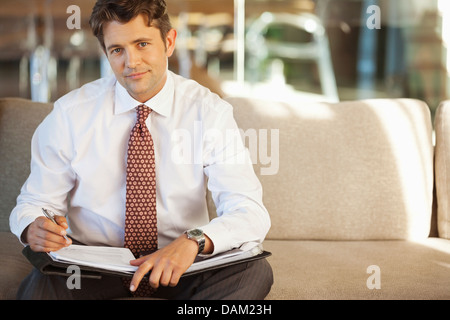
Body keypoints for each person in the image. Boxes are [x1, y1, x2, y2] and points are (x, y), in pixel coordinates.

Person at [10, 0, 273, 300]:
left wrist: (194, 241)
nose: (131, 62)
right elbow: (34, 203)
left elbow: (249, 212)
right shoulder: (70, 114)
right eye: (117, 50)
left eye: (142, 43)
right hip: (95, 267)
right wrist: (34, 226)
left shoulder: (209, 112)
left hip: (181, 262)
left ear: (169, 42)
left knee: (254, 272)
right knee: (42, 285)